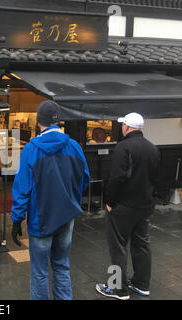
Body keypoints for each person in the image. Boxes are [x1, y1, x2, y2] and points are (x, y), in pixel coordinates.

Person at [11, 100, 90, 300]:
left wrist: (17, 219)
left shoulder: (31, 149)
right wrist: (71, 199)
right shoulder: (74, 147)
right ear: (58, 121)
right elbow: (85, 178)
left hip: (40, 219)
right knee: (62, 265)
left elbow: (22, 188)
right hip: (67, 216)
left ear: (39, 122)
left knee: (39, 271)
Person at [96, 112, 160, 300]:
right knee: (142, 245)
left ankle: (118, 289)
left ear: (126, 126)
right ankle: (141, 284)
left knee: (118, 247)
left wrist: (109, 202)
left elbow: (117, 178)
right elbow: (155, 178)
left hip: (123, 207)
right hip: (145, 205)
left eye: (122, 124)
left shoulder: (123, 147)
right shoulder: (152, 148)